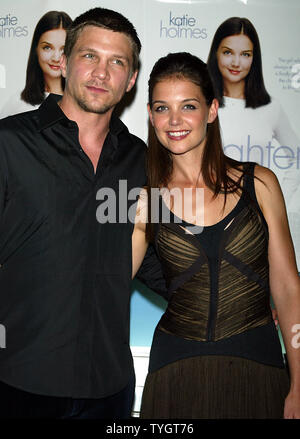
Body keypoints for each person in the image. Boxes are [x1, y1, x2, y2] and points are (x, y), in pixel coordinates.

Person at [0, 7, 165, 419]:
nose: (101, 72)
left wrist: (240, 301)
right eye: (90, 56)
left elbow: (163, 262)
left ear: (130, 81)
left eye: (117, 62)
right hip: (18, 383)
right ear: (64, 63)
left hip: (109, 388)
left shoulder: (144, 162)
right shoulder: (8, 144)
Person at [132, 52, 300, 418]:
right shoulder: (146, 201)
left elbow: (288, 289)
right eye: (162, 108)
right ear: (150, 115)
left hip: (259, 372)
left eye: (187, 106)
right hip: (175, 377)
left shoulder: (261, 183)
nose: (174, 120)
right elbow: (108, 286)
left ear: (211, 110)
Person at [206, 17, 300, 210]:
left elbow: (296, 158)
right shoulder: (199, 104)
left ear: (254, 59)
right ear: (216, 53)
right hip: (205, 212)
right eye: (227, 52)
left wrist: (276, 202)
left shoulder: (271, 107)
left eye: (246, 54)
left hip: (252, 218)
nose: (236, 62)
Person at [0, 11, 72, 118]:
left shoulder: (85, 102)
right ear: (36, 50)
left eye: (63, 49)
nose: (56, 58)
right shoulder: (18, 103)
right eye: (47, 47)